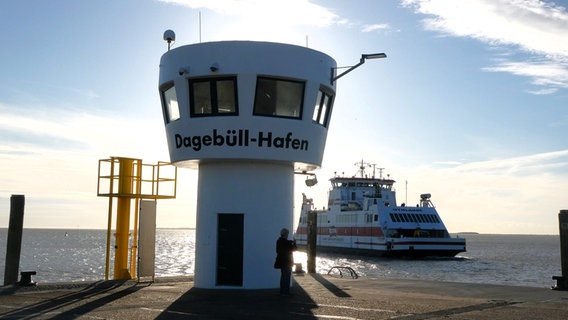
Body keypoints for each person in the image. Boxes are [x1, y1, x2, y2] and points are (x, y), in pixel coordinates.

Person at [274, 228, 297, 295]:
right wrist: (294, 243)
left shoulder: (278, 241)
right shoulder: (287, 243)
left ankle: (282, 291)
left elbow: (278, 251)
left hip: (281, 262)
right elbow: (294, 249)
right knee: (287, 277)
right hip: (287, 262)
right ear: (286, 234)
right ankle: (286, 291)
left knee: (283, 276)